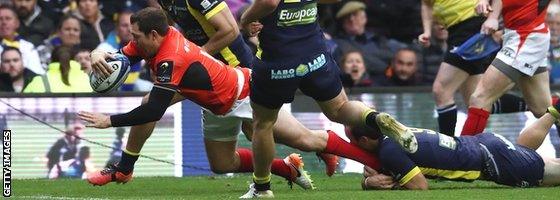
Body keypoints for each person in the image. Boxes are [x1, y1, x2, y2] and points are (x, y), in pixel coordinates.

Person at [80, 8, 382, 191]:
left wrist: (110, 121)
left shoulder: (171, 58)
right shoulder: (158, 36)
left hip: (246, 93)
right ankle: (286, 168)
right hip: (214, 103)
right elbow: (123, 55)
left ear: (155, 35)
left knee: (306, 140)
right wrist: (98, 52)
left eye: (136, 36)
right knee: (222, 164)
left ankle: (374, 162)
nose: (132, 41)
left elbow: (157, 109)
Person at [240, 0, 417, 197]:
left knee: (263, 124)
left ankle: (262, 188)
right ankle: (375, 118)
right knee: (339, 108)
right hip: (315, 56)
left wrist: (245, 19)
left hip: (278, 60)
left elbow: (268, 2)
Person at [355, 74, 560, 190]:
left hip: (492, 161)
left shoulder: (389, 149)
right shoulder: (394, 133)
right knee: (526, 152)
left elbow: (419, 186)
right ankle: (559, 107)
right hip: (485, 143)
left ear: (366, 140)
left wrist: (391, 183)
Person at [460, 0, 560, 136]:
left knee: (480, 98)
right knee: (542, 109)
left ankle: (464, 155)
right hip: (513, 35)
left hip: (527, 38)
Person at [419, 0, 527, 136]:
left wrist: (493, 18)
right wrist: (427, 31)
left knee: (441, 90)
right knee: (478, 100)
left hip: (471, 28)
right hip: (455, 32)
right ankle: (547, 106)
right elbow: (427, 4)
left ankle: (447, 149)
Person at [23, 46, 92, 93]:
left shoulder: (38, 81)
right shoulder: (90, 81)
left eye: (87, 59)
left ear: (51, 61)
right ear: (74, 60)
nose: (83, 62)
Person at [0, 4, 44, 75]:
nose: (4, 22)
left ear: (17, 23)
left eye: (8, 18)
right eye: (0, 19)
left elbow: (38, 73)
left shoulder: (28, 47)